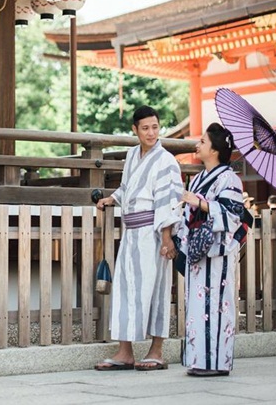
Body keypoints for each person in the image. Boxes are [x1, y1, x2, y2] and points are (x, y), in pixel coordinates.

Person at [94, 106, 184, 372]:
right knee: (125, 290)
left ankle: (156, 350)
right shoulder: (133, 155)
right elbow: (127, 187)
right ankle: (125, 351)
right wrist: (113, 198)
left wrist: (167, 237)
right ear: (135, 130)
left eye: (155, 127)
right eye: (145, 128)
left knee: (155, 289)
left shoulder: (166, 160)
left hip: (153, 233)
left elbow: (168, 199)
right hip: (130, 232)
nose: (151, 133)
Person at [178, 122, 246, 377]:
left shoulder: (229, 178)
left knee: (217, 305)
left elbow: (233, 215)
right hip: (198, 249)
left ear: (215, 150)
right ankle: (199, 359)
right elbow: (188, 213)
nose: (198, 145)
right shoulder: (197, 179)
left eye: (203, 142)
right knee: (197, 307)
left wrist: (201, 203)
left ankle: (216, 362)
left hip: (218, 253)